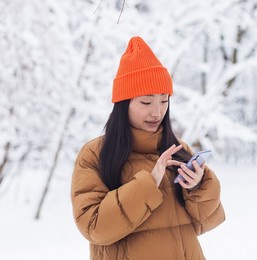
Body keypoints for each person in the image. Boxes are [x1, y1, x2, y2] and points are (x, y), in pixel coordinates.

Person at [70, 36, 225, 260]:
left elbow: (205, 222)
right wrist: (148, 184)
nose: (157, 112)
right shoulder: (95, 154)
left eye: (164, 101)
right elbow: (94, 227)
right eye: (146, 102)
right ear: (124, 103)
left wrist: (198, 186)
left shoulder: (177, 150)